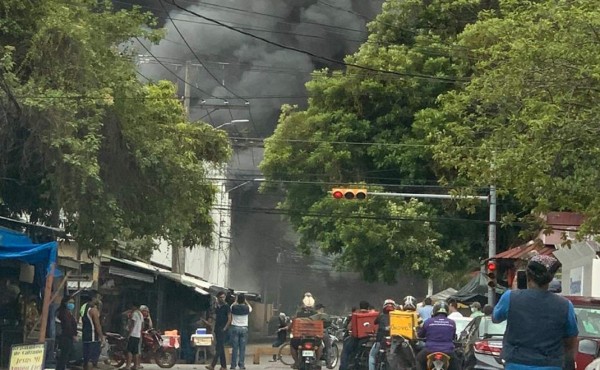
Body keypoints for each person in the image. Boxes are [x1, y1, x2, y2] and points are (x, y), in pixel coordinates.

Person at [493, 255, 578, 370]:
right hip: (551, 365)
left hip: (516, 364)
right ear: (550, 279)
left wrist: (513, 289)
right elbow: (571, 339)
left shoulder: (511, 297)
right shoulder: (565, 305)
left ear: (527, 276)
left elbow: (496, 318)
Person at [416, 301, 457, 370]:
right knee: (456, 363)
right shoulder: (452, 323)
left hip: (430, 349)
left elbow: (420, 335)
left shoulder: (428, 321)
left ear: (434, 311)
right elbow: (453, 337)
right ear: (447, 311)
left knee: (418, 359)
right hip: (448, 351)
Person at [339, 300, 370, 370]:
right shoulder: (372, 315)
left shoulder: (356, 315)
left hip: (357, 339)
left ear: (360, 307)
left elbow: (349, 327)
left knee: (345, 351)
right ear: (368, 308)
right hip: (369, 339)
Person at [289, 297, 319, 369]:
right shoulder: (316, 314)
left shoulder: (298, 314)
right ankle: (317, 361)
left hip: (300, 337)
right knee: (320, 345)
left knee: (292, 346)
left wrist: (289, 328)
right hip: (313, 337)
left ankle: (296, 362)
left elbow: (293, 323)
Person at [206, 291, 231, 370]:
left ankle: (212, 365)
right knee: (220, 347)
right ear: (218, 298)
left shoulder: (227, 306)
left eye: (223, 297)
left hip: (223, 329)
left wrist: (225, 328)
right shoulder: (217, 307)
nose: (222, 299)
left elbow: (229, 319)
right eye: (221, 297)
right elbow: (214, 316)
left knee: (219, 348)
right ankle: (224, 366)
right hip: (217, 328)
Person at [369, 299, 396, 370]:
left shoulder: (381, 316)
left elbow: (375, 322)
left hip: (380, 340)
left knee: (372, 355)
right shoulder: (397, 317)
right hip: (394, 341)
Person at [82, 291, 104, 370]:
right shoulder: (93, 310)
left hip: (85, 335)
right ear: (93, 298)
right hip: (93, 336)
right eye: (97, 298)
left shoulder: (85, 307)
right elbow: (97, 325)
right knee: (91, 359)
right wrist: (102, 338)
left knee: (86, 357)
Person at [230, 293, 252, 370]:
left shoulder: (233, 307)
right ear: (244, 300)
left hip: (235, 328)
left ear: (237, 299)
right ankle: (241, 365)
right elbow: (250, 308)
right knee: (242, 348)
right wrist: (246, 301)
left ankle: (233, 365)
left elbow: (231, 307)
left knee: (235, 348)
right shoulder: (247, 308)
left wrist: (235, 301)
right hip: (244, 329)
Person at [56, 296, 78, 370]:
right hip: (65, 337)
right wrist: (73, 335)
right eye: (70, 302)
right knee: (64, 356)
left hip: (68, 337)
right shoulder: (63, 313)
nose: (72, 304)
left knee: (65, 356)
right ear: (65, 303)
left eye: (73, 303)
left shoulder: (68, 312)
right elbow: (67, 326)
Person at [125, 302, 143, 370]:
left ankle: (128, 366)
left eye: (132, 306)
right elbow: (142, 325)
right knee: (135, 351)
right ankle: (136, 366)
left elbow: (132, 325)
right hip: (138, 335)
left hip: (133, 334)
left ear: (135, 306)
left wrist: (129, 334)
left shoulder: (135, 314)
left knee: (129, 351)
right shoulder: (140, 314)